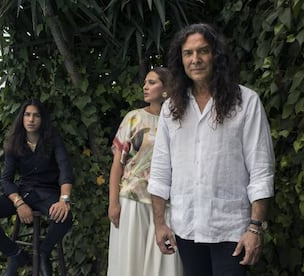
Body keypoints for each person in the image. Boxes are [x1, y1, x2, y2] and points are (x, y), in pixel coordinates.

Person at [147, 23, 275, 276]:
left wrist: (255, 228)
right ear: (181, 60)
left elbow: (261, 169)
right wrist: (160, 223)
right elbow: (161, 170)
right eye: (188, 53)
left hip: (231, 229)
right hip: (186, 228)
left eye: (202, 51)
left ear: (215, 55)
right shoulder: (171, 108)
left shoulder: (246, 102)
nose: (195, 59)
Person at [0, 99, 74, 276]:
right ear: (22, 118)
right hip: (23, 193)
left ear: (42, 119)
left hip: (47, 195)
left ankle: (43, 251)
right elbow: (6, 180)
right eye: (27, 115)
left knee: (66, 218)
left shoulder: (52, 138)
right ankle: (16, 254)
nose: (31, 119)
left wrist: (64, 200)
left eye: (36, 115)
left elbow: (65, 170)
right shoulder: (15, 141)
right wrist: (18, 203)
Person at [107, 67, 183, 276]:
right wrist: (113, 202)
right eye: (145, 82)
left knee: (164, 266)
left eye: (152, 82)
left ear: (166, 88)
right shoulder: (134, 118)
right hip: (132, 200)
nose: (145, 87)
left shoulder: (179, 122)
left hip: (167, 203)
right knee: (129, 264)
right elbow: (117, 164)